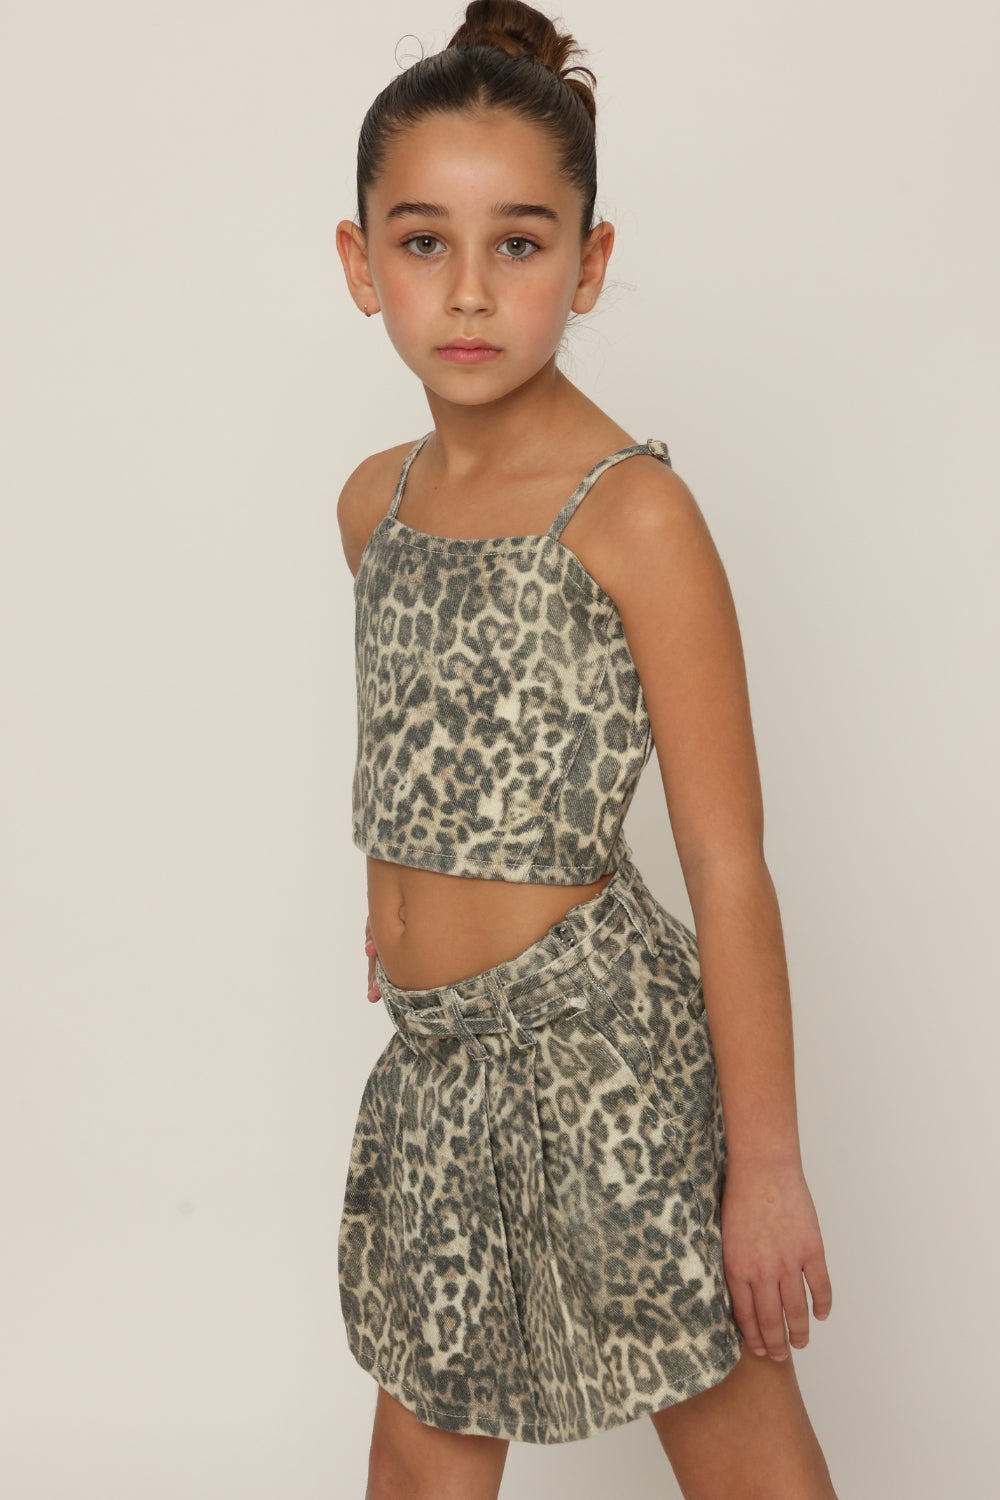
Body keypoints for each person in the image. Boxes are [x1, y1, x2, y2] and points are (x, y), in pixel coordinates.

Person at [335, 3, 838, 1495]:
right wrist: (398, 916)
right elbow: (422, 735)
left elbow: (727, 864)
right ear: (359, 263)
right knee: (420, 1458)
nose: (468, 290)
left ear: (590, 262)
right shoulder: (373, 504)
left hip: (606, 1059)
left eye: (520, 243)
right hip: (438, 1069)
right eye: (423, 242)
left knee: (742, 1455)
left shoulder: (632, 515)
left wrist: (766, 1168)